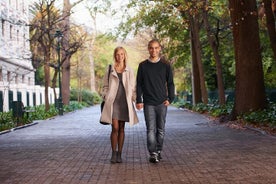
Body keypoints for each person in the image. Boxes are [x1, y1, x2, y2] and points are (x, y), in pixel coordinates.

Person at [136, 39, 175, 163]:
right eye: (151, 48)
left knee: (161, 130)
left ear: (160, 49)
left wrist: (171, 98)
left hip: (162, 103)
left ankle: (158, 150)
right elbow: (139, 84)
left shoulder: (165, 65)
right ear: (148, 49)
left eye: (156, 48)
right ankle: (153, 153)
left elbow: (170, 83)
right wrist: (139, 99)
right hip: (148, 103)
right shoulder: (142, 66)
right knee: (150, 129)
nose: (154, 50)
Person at [100, 46, 139, 163]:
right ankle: (113, 153)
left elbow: (133, 87)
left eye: (122, 54)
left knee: (122, 128)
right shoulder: (110, 69)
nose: (120, 56)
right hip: (113, 102)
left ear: (125, 55)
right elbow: (105, 85)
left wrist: (135, 100)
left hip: (125, 102)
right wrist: (105, 96)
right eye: (118, 54)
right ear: (115, 55)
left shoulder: (129, 70)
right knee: (115, 128)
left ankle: (119, 154)